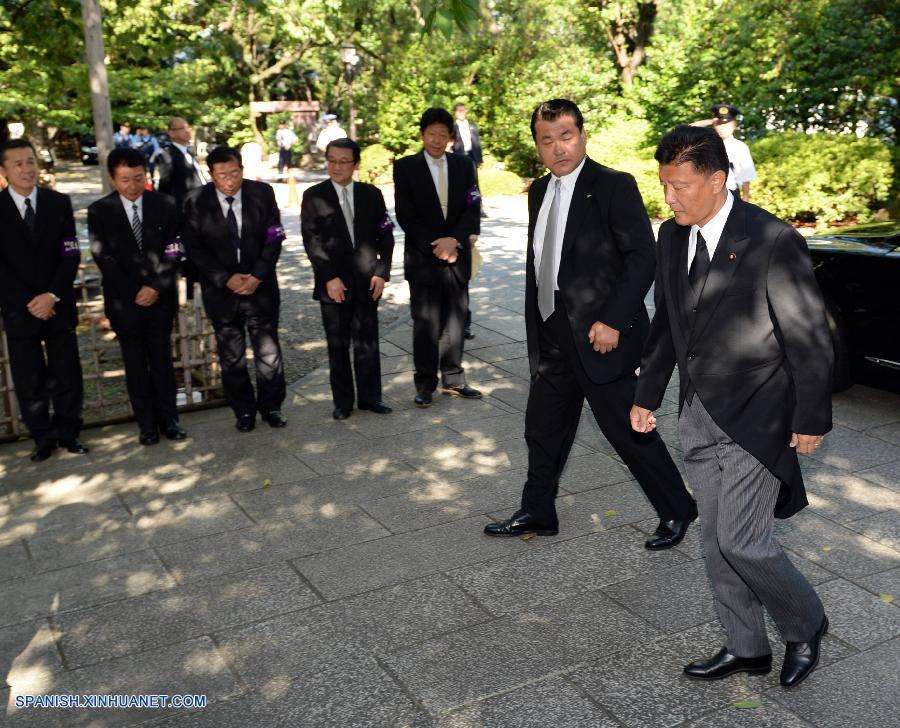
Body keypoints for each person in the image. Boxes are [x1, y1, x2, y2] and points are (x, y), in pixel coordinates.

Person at [630, 125, 832, 687]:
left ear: (718, 181)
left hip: (757, 418)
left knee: (743, 540)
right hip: (696, 412)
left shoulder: (771, 239)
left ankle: (805, 623)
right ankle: (746, 646)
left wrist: (810, 417)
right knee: (717, 542)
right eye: (664, 185)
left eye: (680, 186)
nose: (669, 198)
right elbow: (669, 326)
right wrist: (647, 395)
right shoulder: (671, 237)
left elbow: (808, 334)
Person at [484, 99, 696, 550]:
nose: (558, 147)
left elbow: (643, 257)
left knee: (628, 431)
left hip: (602, 338)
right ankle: (538, 510)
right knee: (542, 429)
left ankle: (678, 509)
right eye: (547, 140)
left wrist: (613, 320)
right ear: (537, 146)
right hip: (552, 335)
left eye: (566, 135)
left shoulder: (613, 185)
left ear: (582, 135)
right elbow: (544, 262)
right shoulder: (539, 191)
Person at [181, 146, 287, 432]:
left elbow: (274, 237)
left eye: (235, 173)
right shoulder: (195, 200)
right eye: (222, 175)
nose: (229, 180)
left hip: (260, 287)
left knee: (268, 351)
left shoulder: (261, 194)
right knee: (231, 355)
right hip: (221, 291)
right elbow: (194, 248)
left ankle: (272, 407)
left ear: (242, 169)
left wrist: (257, 276)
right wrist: (224, 277)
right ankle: (243, 411)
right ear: (211, 175)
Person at [88, 147, 186, 445]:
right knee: (134, 362)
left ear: (147, 175)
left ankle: (169, 419)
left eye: (138, 178)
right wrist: (135, 290)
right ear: (112, 178)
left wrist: (155, 287)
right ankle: (146, 424)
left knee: (161, 359)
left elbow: (175, 249)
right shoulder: (99, 211)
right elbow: (103, 258)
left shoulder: (166, 204)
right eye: (125, 179)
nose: (132, 186)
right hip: (123, 301)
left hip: (161, 298)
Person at [0, 139, 88, 461]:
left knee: (67, 372)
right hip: (19, 310)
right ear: (4, 170)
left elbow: (70, 252)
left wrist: (51, 295)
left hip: (58, 304)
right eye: (18, 164)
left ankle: (70, 432)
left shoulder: (59, 203)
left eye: (31, 161)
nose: (27, 169)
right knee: (29, 376)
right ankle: (42, 438)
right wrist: (32, 301)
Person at [393, 107, 482, 408]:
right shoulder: (405, 167)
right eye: (431, 133)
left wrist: (454, 241)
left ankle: (454, 378)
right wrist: (437, 244)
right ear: (422, 135)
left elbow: (473, 206)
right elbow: (406, 215)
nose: (436, 139)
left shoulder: (463, 165)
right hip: (424, 258)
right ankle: (425, 384)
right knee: (426, 324)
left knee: (457, 320)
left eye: (442, 134)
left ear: (450, 137)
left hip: (456, 256)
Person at [301, 138, 395, 420]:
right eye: (331, 160)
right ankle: (343, 402)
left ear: (356, 164)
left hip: (367, 280)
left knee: (367, 341)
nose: (336, 166)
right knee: (338, 344)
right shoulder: (314, 195)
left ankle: (370, 398)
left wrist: (382, 272)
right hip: (333, 283)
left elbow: (386, 234)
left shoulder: (372, 194)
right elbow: (311, 240)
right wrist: (329, 277)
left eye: (343, 161)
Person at [692, 104, 756, 201]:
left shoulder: (740, 147)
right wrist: (710, 121)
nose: (722, 127)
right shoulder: (705, 144)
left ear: (734, 125)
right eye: (719, 123)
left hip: (730, 196)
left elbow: (745, 179)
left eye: (726, 123)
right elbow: (686, 129)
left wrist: (745, 204)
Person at [157, 117, 207, 207]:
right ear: (171, 133)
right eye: (183, 128)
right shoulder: (168, 155)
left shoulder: (189, 152)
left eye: (188, 128)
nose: (187, 131)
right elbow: (164, 186)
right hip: (185, 208)